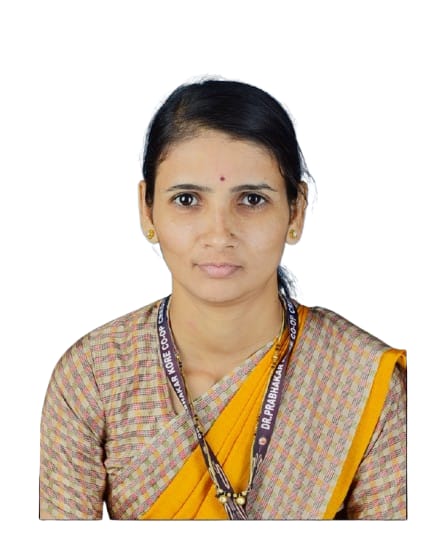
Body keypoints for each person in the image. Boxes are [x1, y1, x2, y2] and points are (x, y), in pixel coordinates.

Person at [39, 79, 407, 520]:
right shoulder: (96, 377)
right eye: (187, 199)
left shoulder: (359, 380)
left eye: (251, 199)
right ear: (147, 209)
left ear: (295, 211)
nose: (219, 234)